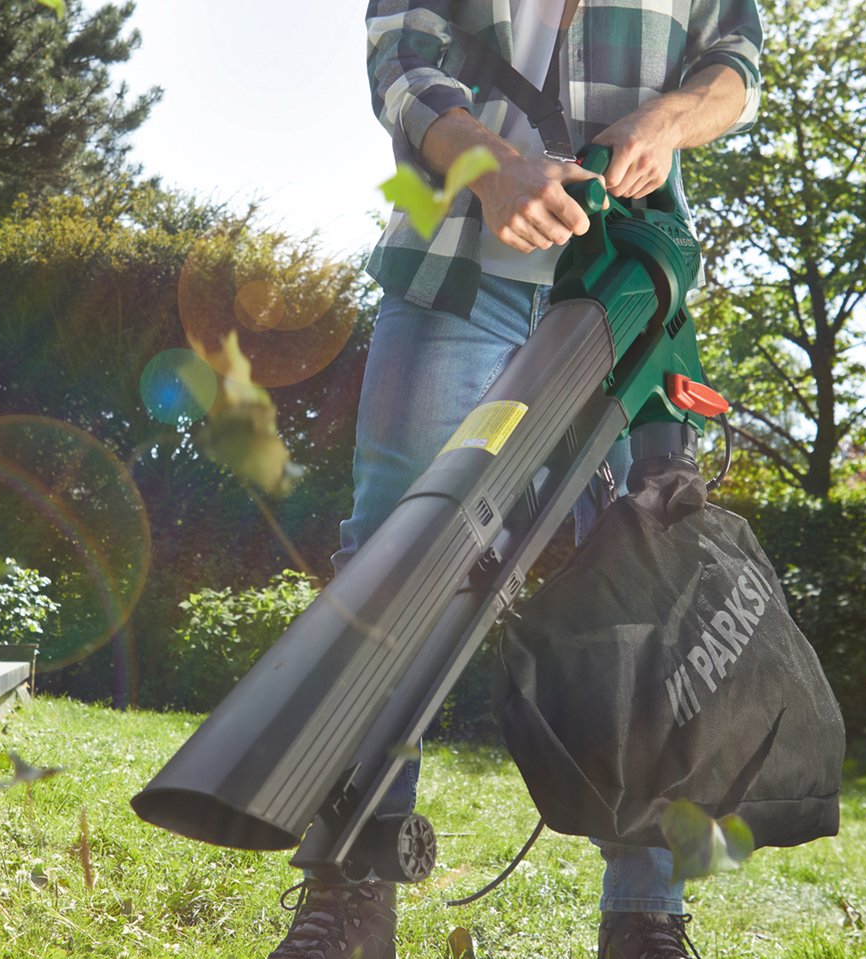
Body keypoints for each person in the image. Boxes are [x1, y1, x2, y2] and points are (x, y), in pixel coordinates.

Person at [267, 2, 763, 957]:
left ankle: (645, 914)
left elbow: (737, 60)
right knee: (399, 558)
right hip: (459, 267)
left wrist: (662, 123)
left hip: (625, 272)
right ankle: (351, 889)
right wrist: (490, 164)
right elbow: (400, 57)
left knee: (645, 576)